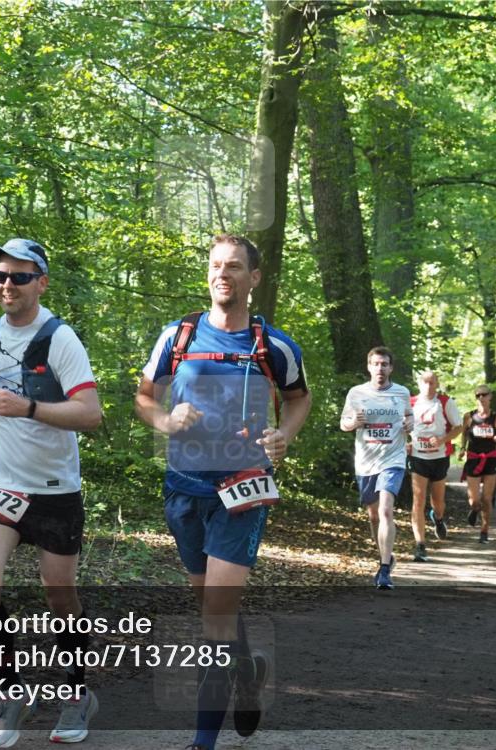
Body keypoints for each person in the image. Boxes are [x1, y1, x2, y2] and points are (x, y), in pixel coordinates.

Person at [135, 234, 311, 750]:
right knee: (213, 611)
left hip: (243, 489)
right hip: (184, 489)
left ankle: (202, 740)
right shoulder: (177, 336)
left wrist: (284, 435)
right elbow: (144, 398)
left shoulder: (273, 345)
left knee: (215, 615)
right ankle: (248, 668)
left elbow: (299, 399)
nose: (222, 274)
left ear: (253, 279)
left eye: (234, 267)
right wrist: (166, 420)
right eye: (216, 266)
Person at [0, 238, 103, 748]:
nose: (6, 286)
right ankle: (9, 693)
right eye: (0, 276)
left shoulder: (61, 339)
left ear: (41, 281)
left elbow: (91, 414)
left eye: (18, 277)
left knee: (61, 597)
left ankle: (77, 694)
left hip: (56, 490)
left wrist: (31, 408)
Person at [340, 347, 414, 589]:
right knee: (373, 516)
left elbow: (410, 417)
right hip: (365, 461)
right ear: (369, 367)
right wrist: (354, 422)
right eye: (376, 364)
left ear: (391, 368)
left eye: (384, 364)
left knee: (385, 510)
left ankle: (384, 570)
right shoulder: (357, 393)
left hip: (392, 459)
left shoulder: (401, 392)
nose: (380, 369)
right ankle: (386, 554)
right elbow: (344, 424)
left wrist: (409, 424)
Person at [406, 371, 463, 561]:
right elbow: (401, 426)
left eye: (432, 383)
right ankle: (420, 545)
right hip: (418, 456)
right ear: (419, 383)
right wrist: (405, 443)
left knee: (438, 502)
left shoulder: (446, 402)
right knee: (418, 499)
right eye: (425, 382)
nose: (429, 386)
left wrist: (442, 440)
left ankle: (438, 518)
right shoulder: (410, 402)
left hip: (439, 457)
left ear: (437, 383)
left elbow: (458, 427)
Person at [460, 385, 496, 543]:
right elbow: (464, 434)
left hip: (491, 459)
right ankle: (474, 509)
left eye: (484, 394)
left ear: (490, 397)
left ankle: (484, 531)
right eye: (477, 395)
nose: (481, 398)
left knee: (487, 499)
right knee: (474, 500)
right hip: (473, 459)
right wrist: (461, 448)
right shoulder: (469, 416)